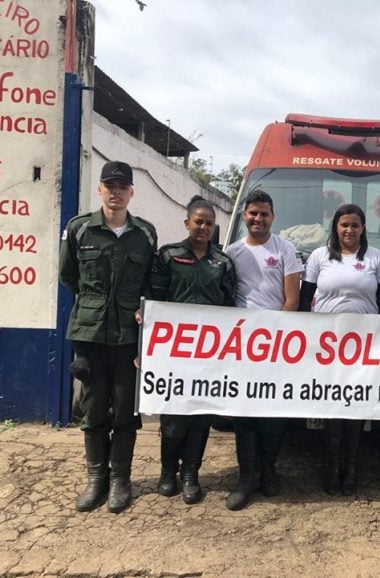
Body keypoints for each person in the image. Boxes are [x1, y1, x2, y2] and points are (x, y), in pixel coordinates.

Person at [59, 160, 157, 513]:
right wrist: (94, 304)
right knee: (94, 409)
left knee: (126, 412)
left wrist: (141, 308)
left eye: (122, 187)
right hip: (90, 334)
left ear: (131, 192)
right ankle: (96, 480)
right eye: (109, 186)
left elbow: (149, 280)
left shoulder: (144, 234)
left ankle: (120, 481)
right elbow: (69, 275)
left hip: (129, 337)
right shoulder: (80, 229)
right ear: (100, 189)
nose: (115, 192)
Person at [299, 203, 380, 496]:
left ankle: (352, 467)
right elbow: (305, 299)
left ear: (363, 228)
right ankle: (332, 464)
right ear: (336, 228)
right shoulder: (319, 257)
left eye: (355, 225)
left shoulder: (376, 258)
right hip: (327, 344)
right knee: (332, 404)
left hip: (364, 345)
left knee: (354, 405)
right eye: (344, 225)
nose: (349, 230)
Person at [149, 195, 236, 504]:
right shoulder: (168, 255)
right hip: (173, 352)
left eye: (209, 223)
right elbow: (153, 300)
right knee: (173, 417)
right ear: (187, 223)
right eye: (198, 221)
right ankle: (167, 471)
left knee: (200, 415)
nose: (203, 227)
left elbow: (229, 307)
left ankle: (191, 474)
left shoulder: (223, 262)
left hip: (209, 355)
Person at [223, 189, 304, 510]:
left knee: (274, 413)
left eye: (264, 214)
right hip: (242, 347)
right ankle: (246, 478)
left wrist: (276, 337)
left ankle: (269, 469)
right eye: (253, 213)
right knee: (244, 415)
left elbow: (292, 299)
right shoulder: (231, 252)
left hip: (277, 345)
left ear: (273, 217)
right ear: (244, 215)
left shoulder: (285, 249)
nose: (258, 219)